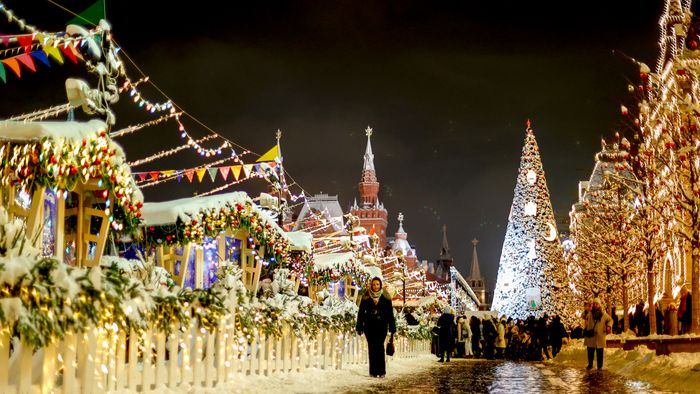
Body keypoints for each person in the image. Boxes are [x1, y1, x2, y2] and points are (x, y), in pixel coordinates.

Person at [356, 277, 396, 377]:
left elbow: (390, 313)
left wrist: (392, 327)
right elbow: (361, 312)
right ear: (371, 285)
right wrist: (359, 325)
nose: (375, 286)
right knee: (372, 348)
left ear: (380, 285)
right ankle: (373, 371)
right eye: (374, 284)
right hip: (369, 326)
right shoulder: (366, 296)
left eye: (377, 284)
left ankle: (381, 371)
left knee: (380, 347)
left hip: (382, 325)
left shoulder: (386, 296)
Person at [584, 298, 613, 370]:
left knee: (600, 352)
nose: (595, 305)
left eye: (596, 304)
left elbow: (610, 320)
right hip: (591, 335)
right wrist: (586, 309)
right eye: (594, 304)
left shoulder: (603, 314)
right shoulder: (590, 313)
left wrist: (609, 326)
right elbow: (583, 316)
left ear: (599, 305)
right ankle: (590, 365)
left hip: (600, 335)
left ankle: (600, 366)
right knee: (590, 351)